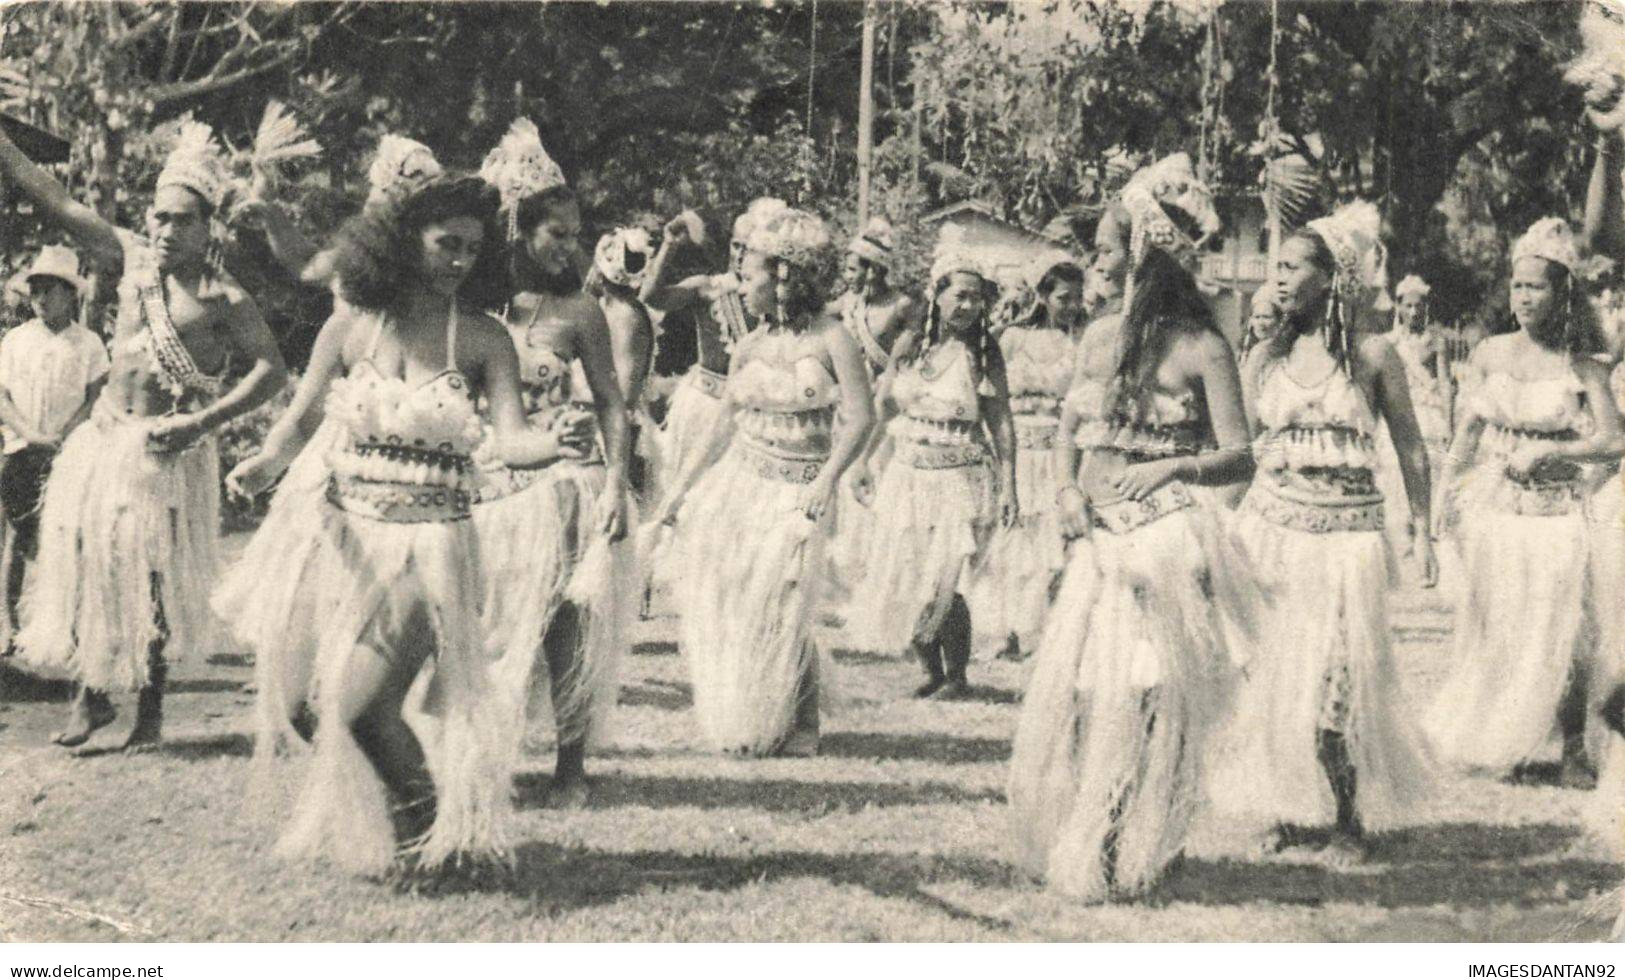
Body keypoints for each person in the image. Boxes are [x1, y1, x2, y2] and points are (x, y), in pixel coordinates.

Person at [222, 171, 584, 875]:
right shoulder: (348, 327)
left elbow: (509, 440)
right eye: (446, 243)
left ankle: (442, 845)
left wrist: (556, 442)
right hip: (344, 540)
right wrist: (261, 465)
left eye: (472, 250)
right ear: (400, 241)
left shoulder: (482, 339)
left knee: (362, 708)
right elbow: (295, 426)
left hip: (432, 544)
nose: (459, 261)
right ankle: (418, 838)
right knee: (306, 704)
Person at [1007, 153, 1256, 902]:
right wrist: (1063, 492)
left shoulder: (1202, 348)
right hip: (1097, 544)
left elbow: (1241, 455)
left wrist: (1174, 471)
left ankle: (1152, 837)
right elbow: (1067, 429)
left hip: (1168, 543)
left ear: (1147, 252)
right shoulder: (1097, 338)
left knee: (1152, 695)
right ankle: (1096, 829)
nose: (1098, 263)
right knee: (1087, 692)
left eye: (1110, 249)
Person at [0, 121, 288, 751]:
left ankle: (150, 706)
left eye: (182, 220)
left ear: (207, 225)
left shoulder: (222, 299)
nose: (165, 230)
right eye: (159, 217)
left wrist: (202, 422)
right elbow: (54, 197)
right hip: (102, 440)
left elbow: (273, 371)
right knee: (86, 561)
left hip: (165, 451)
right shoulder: (131, 256)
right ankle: (91, 695)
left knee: (150, 575)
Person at [1215, 201, 1436, 863]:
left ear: (1331, 277)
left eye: (1291, 266)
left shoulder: (1372, 355)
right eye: (1275, 267)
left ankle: (1346, 819)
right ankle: (1286, 808)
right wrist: (1216, 530)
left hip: (1346, 544)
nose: (1277, 278)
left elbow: (1412, 449)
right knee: (1273, 682)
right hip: (1270, 532)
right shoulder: (1262, 355)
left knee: (1337, 683)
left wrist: (1422, 530)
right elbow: (1241, 454)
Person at [214, 134, 447, 747]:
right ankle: (339, 724)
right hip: (340, 450)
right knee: (313, 604)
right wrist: (270, 455)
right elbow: (308, 278)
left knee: (389, 626)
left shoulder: (452, 302)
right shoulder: (351, 280)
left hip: (414, 463)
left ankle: (379, 721)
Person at [656, 208, 874, 756]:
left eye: (750, 274)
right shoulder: (749, 345)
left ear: (784, 276)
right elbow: (725, 422)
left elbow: (863, 416)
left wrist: (828, 480)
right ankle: (759, 710)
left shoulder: (833, 338)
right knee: (743, 596)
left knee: (786, 598)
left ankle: (803, 721)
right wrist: (680, 491)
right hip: (743, 479)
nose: (742, 285)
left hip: (800, 488)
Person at [1424, 217, 1625, 787]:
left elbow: (1615, 439)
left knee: (1566, 631)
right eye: (1517, 286)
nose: (1524, 297)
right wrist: (1445, 502)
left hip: (1560, 511)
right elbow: (1465, 436)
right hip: (1498, 508)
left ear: (1563, 291)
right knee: (1502, 624)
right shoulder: (1490, 353)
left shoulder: (1582, 364)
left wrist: (1557, 451)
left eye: (1536, 286)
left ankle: (1572, 750)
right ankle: (1506, 737)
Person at [470, 118, 633, 807]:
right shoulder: (464, 305)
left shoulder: (580, 312)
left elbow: (611, 404)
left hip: (551, 483)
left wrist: (616, 487)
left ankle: (570, 766)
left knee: (558, 623)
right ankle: (479, 759)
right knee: (477, 622)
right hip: (471, 479)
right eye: (557, 234)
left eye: (576, 234)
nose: (572, 248)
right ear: (517, 230)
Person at [844, 227, 1017, 699]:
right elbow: (883, 412)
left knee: (946, 580)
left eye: (976, 299)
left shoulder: (984, 352)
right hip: (908, 475)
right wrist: (861, 461)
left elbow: (1000, 420)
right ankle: (931, 670)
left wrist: (1010, 485)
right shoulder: (909, 346)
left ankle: (958, 675)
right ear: (937, 295)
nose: (968, 307)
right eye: (959, 296)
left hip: (960, 477)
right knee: (913, 578)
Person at [967, 248, 1085, 661]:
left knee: (1054, 548)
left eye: (1076, 297)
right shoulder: (1011, 338)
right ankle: (1007, 632)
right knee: (1012, 547)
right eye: (1062, 298)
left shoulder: (1082, 341)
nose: (1071, 306)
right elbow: (987, 396)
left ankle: (1048, 634)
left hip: (1060, 453)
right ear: (1042, 296)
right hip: (1018, 449)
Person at [0, 246, 107, 643]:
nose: (42, 299)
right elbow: (2, 398)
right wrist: (31, 434)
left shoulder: (89, 344)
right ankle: (7, 624)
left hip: (70, 453)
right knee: (15, 534)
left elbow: (97, 396)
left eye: (51, 290)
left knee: (69, 535)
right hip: (22, 449)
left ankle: (71, 625)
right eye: (36, 291)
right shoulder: (15, 340)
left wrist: (65, 436)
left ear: (71, 294)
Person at [824, 216, 921, 619]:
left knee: (873, 495)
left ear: (873, 268)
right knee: (840, 501)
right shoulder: (844, 307)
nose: (848, 275)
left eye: (853, 267)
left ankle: (875, 592)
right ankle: (839, 589)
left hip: (882, 413)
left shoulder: (903, 306)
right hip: (843, 410)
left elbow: (900, 367)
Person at [1377, 275, 1452, 554]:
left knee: (1427, 465)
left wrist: (1449, 421)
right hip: (1397, 410)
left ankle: (1425, 526)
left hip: (1427, 411)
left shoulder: (1435, 341)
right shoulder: (1389, 341)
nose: (1413, 312)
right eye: (1407, 306)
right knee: (1393, 467)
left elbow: (1444, 382)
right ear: (1398, 307)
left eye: (1418, 306)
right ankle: (1402, 528)